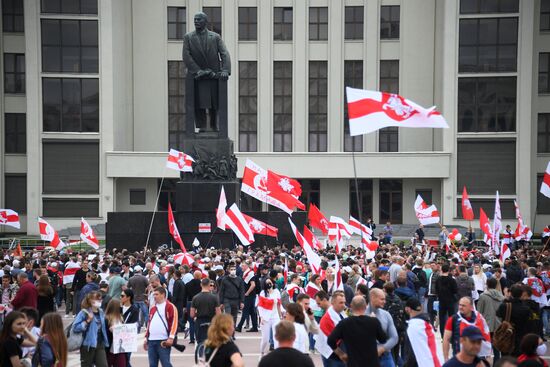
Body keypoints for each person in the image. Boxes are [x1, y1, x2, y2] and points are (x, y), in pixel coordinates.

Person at [327, 296, 387, 367]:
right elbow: (383, 339)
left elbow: (330, 340)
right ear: (365, 306)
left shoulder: (344, 323)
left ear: (351, 306)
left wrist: (341, 354)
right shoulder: (373, 321)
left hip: (353, 363)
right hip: (372, 363)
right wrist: (376, 322)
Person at [443, 297, 491, 362]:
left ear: (471, 307)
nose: (460, 307)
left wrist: (488, 355)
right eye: (460, 305)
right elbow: (446, 339)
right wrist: (446, 358)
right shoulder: (453, 319)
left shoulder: (480, 318)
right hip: (459, 359)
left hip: (478, 358)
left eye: (463, 305)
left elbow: (486, 336)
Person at [73, 291, 109, 367]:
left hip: (100, 343)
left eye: (100, 299)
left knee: (103, 365)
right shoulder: (84, 313)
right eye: (97, 299)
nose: (100, 300)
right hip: (88, 344)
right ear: (91, 300)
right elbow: (75, 327)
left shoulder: (101, 311)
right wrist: (87, 321)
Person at [144, 287, 178, 367]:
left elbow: (174, 322)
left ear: (163, 295)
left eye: (156, 294)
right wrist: (146, 338)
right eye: (154, 295)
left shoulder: (170, 306)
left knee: (166, 364)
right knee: (152, 364)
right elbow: (149, 323)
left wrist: (171, 337)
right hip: (151, 340)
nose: (154, 296)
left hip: (163, 340)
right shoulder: (153, 308)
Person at [402, 297, 441, 367]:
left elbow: (411, 353)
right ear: (421, 308)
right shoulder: (427, 324)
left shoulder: (413, 327)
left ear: (407, 309)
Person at [497, 284, 531, 356]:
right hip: (520, 338)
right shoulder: (526, 308)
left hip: (507, 337)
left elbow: (498, 314)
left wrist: (506, 298)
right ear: (521, 294)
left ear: (511, 293)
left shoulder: (505, 306)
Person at [368, 288, 399, 367]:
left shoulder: (386, 315)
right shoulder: (362, 314)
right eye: (382, 299)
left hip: (385, 356)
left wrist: (382, 349)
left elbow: (395, 337)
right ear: (372, 298)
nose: (384, 302)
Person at [477, 278, 504, 360]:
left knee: (482, 348)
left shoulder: (483, 296)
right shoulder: (502, 297)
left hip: (486, 325)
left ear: (487, 284)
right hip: (498, 325)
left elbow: (479, 312)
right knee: (496, 350)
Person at [191, 278, 221, 345]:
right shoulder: (214, 298)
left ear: (201, 285)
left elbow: (192, 314)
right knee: (212, 341)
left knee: (200, 342)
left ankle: (201, 354)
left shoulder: (195, 297)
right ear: (209, 285)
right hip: (211, 321)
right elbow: (218, 313)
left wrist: (197, 314)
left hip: (200, 321)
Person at [257, 278, 282, 356]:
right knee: (265, 339)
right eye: (267, 283)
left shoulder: (277, 292)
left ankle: (277, 354)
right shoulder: (262, 293)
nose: (269, 284)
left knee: (277, 336)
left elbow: (279, 304)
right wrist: (261, 317)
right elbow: (260, 306)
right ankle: (261, 352)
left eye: (270, 282)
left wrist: (281, 314)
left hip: (275, 317)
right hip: (265, 318)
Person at [218, 264, 244, 336]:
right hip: (227, 299)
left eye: (234, 269)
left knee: (234, 317)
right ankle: (227, 333)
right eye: (231, 269)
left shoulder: (239, 279)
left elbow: (242, 291)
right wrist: (221, 302)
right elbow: (221, 291)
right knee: (228, 315)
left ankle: (232, 333)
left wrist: (242, 301)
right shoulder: (224, 279)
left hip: (236, 300)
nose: (233, 271)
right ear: (228, 270)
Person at [436, 263, 458, 337]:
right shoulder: (452, 280)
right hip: (450, 301)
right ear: (448, 270)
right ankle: (452, 335)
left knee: (442, 319)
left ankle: (443, 335)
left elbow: (436, 290)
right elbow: (455, 290)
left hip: (441, 301)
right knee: (451, 318)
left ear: (442, 270)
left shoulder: (438, 280)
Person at [236, 261, 258, 332]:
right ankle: (255, 327)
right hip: (250, 296)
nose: (241, 267)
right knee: (252, 312)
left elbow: (253, 285)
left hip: (249, 296)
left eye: (243, 266)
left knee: (245, 311)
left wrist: (247, 293)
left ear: (247, 266)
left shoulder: (250, 274)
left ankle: (239, 326)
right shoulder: (246, 273)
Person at [104, 299, 126, 367]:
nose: (121, 307)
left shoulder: (121, 318)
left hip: (120, 348)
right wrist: (110, 331)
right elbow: (104, 333)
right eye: (120, 306)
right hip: (110, 348)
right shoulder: (106, 319)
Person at [185, 270, 202, 344]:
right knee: (199, 320)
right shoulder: (201, 284)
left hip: (190, 302)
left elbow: (185, 295)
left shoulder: (188, 284)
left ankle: (192, 339)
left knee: (191, 321)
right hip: (200, 302)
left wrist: (184, 306)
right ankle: (198, 337)